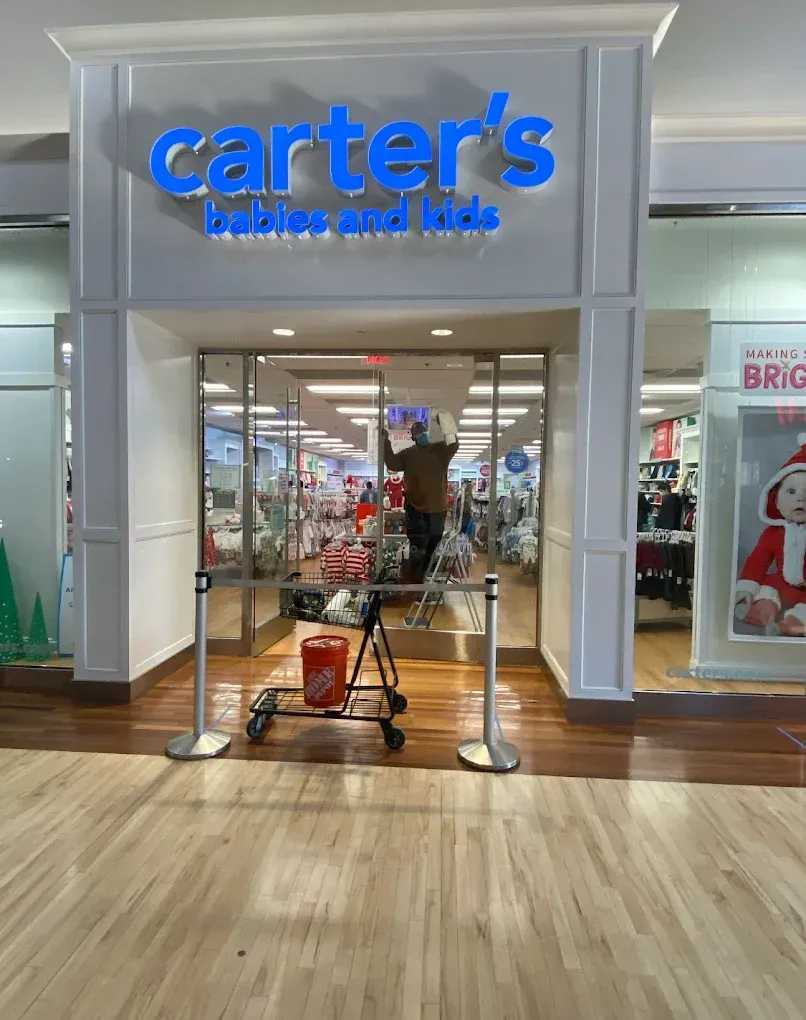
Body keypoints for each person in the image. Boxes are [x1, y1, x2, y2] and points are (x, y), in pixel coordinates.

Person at [734, 433, 806, 636]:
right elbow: (758, 560)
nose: (800, 499)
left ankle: (791, 624)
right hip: (782, 583)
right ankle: (761, 610)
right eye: (791, 492)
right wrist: (747, 586)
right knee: (767, 588)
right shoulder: (774, 533)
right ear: (775, 499)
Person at [384, 410, 459, 580]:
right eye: (418, 433)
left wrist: (443, 417)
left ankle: (420, 579)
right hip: (416, 508)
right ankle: (416, 581)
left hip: (436, 509)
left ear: (427, 433)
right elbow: (393, 463)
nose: (422, 435)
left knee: (431, 546)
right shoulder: (408, 453)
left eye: (423, 432)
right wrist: (385, 442)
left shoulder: (440, 450)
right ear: (413, 437)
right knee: (419, 549)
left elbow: (453, 442)